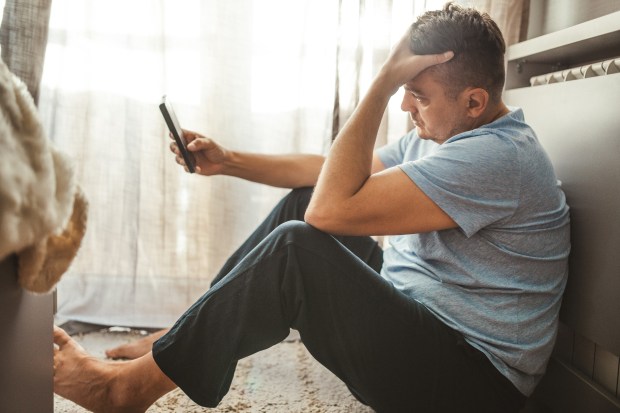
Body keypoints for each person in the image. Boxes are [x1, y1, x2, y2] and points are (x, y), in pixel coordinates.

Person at [53, 3, 570, 412]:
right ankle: (187, 334)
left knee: (299, 246)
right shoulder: (450, 136)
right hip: (425, 325)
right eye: (405, 92)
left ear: (475, 102)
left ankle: (122, 394)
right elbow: (326, 175)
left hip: (467, 384)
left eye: (416, 94)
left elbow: (328, 214)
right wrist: (229, 159)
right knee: (304, 204)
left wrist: (384, 79)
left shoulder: (496, 158)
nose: (407, 107)